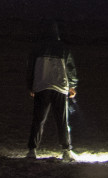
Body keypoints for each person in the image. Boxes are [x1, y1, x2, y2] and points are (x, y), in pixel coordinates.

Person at [26, 22, 78, 161]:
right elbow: (70, 68)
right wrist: (72, 85)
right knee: (62, 120)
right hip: (60, 87)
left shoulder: (37, 48)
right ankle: (66, 150)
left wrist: (31, 86)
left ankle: (32, 150)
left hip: (41, 86)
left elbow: (30, 68)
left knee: (38, 119)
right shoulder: (63, 48)